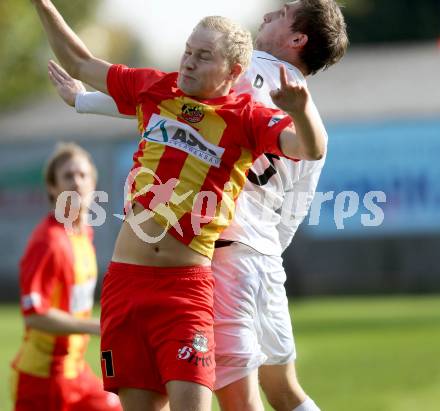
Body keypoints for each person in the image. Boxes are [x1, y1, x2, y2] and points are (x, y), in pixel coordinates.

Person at [46, 1, 348, 410]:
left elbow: (178, 100)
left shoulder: (251, 84)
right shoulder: (297, 107)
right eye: (187, 51)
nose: (266, 14)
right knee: (284, 390)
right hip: (259, 258)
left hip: (216, 263)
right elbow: (296, 197)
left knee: (240, 399)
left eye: (281, 13)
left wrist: (86, 102)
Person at [10, 143, 122, 411]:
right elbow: (35, 314)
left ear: (94, 184)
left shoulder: (83, 234)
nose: (77, 182)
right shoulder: (48, 241)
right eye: (68, 176)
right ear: (52, 188)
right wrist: (97, 326)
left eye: (83, 175)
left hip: (76, 373)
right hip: (42, 380)